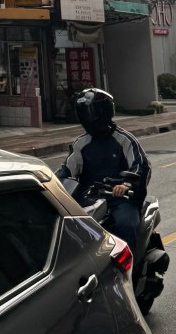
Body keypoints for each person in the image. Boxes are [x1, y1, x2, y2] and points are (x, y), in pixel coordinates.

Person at [56, 88, 150, 251]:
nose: (88, 117)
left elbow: (140, 166)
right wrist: (50, 183)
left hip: (120, 199)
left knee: (125, 225)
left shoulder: (124, 139)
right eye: (84, 113)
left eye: (91, 112)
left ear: (104, 112)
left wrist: (126, 185)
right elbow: (67, 170)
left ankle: (129, 265)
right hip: (89, 198)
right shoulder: (81, 143)